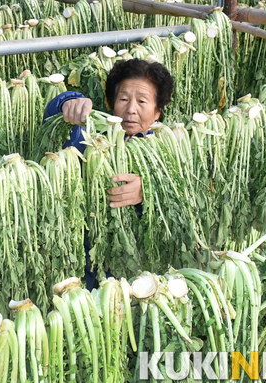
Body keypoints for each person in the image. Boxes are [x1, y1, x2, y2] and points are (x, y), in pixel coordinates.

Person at [42, 58, 175, 289]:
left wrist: (149, 192)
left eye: (142, 101)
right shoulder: (91, 137)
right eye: (123, 99)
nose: (131, 109)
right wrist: (69, 102)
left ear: (158, 113)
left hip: (132, 273)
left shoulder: (164, 156)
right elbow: (53, 119)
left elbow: (176, 212)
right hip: (80, 258)